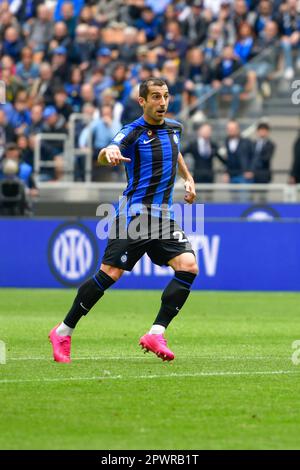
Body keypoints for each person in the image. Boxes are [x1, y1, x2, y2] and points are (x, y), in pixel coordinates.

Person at [49, 77, 198, 363]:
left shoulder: (175, 129)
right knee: (110, 275)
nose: (162, 102)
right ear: (142, 101)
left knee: (188, 266)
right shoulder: (132, 132)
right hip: (133, 216)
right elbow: (105, 154)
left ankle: (156, 333)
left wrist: (188, 179)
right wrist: (110, 154)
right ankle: (63, 331)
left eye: (165, 96)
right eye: (155, 97)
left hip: (163, 218)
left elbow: (176, 154)